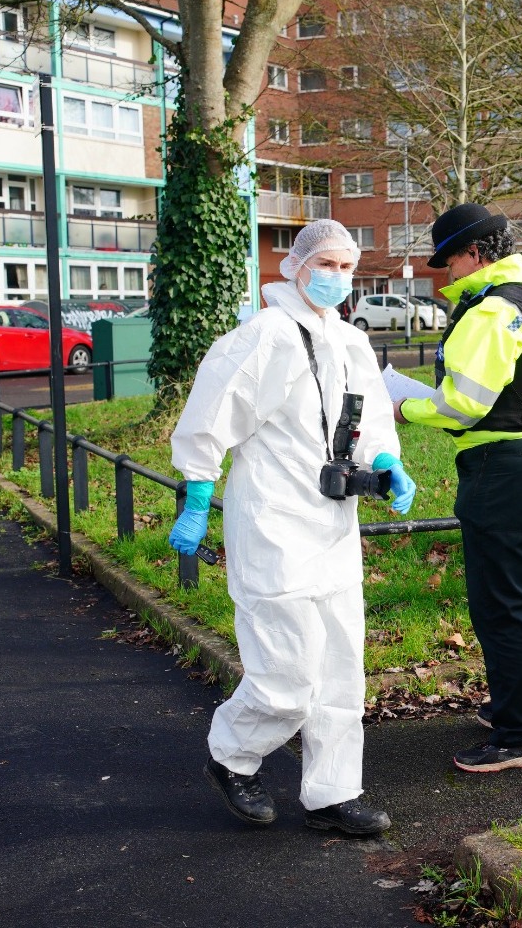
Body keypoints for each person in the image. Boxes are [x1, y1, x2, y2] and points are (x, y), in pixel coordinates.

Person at [167, 219, 417, 834]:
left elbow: (372, 420)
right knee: (287, 673)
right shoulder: (265, 336)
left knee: (339, 666)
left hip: (333, 526)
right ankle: (232, 756)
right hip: (274, 526)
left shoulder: (351, 343)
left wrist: (385, 463)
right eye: (326, 264)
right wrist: (198, 494)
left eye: (347, 267)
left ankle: (333, 793)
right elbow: (211, 416)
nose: (337, 278)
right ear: (297, 266)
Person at [394, 203, 522, 773]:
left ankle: (518, 737)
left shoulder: (492, 311)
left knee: (500, 604)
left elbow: (464, 403)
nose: (446, 273)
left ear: (474, 253)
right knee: (519, 592)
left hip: (506, 469)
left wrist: (403, 407)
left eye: (448, 260)